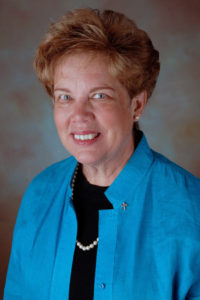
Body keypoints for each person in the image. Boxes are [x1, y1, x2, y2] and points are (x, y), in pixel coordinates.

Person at [4, 8, 200, 300]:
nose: (79, 116)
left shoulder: (191, 208)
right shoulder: (39, 194)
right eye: (65, 97)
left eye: (99, 95)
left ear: (136, 105)